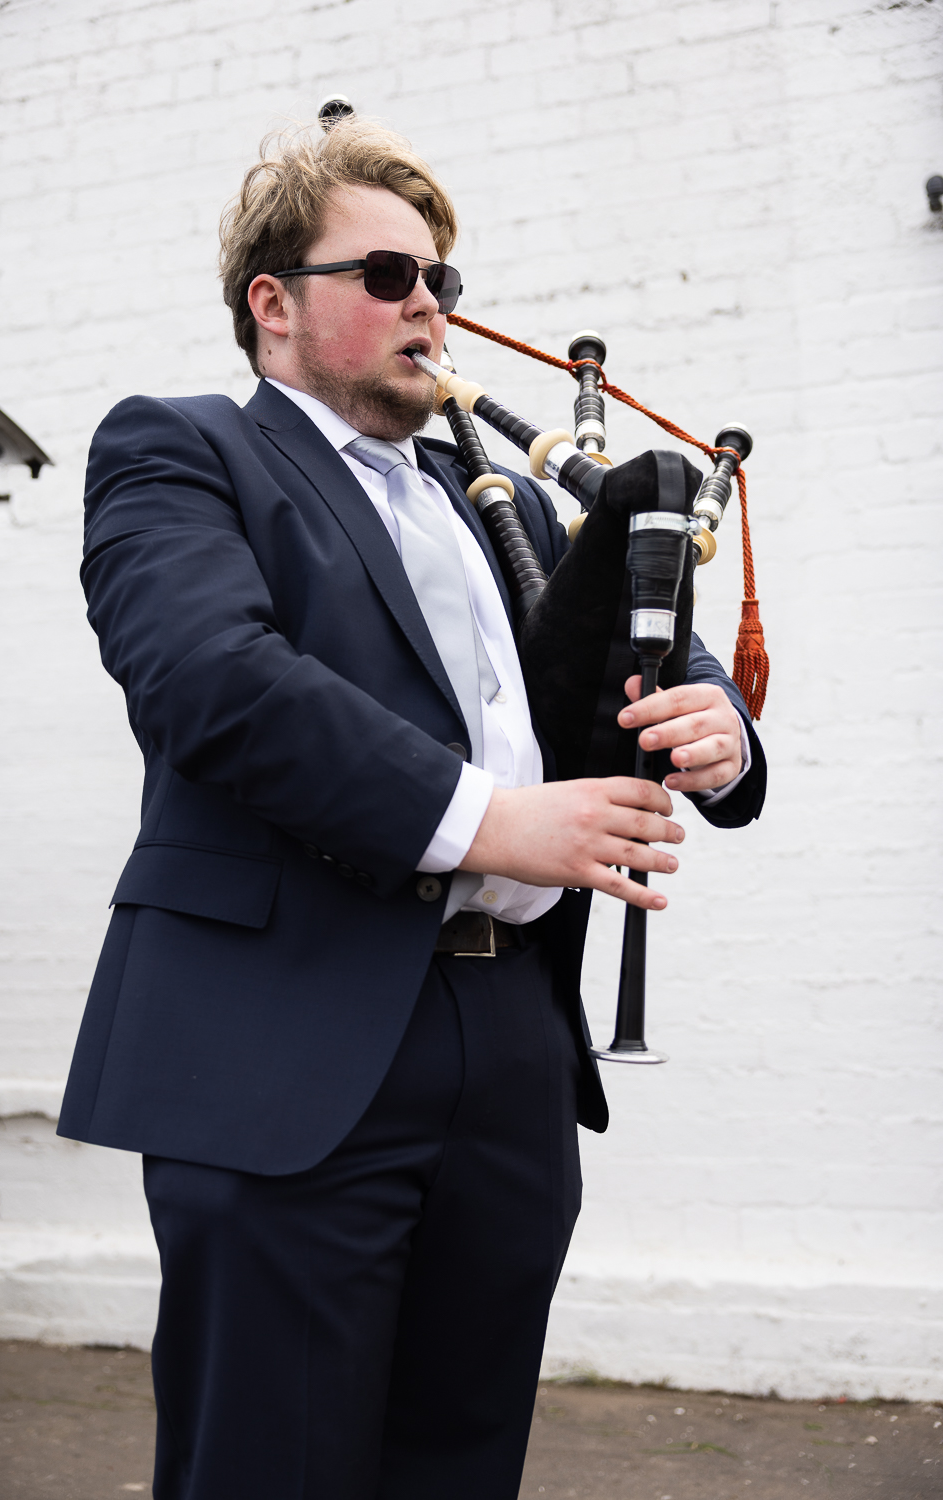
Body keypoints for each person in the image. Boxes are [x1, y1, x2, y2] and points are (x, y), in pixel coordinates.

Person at [58, 118, 766, 1500]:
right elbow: (209, 679)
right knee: (269, 1467)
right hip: (287, 1041)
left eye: (440, 275)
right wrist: (493, 823)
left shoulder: (494, 498)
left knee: (461, 1461)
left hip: (510, 1047)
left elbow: (652, 649)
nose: (428, 302)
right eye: (387, 274)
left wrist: (722, 729)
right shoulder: (181, 450)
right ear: (274, 302)